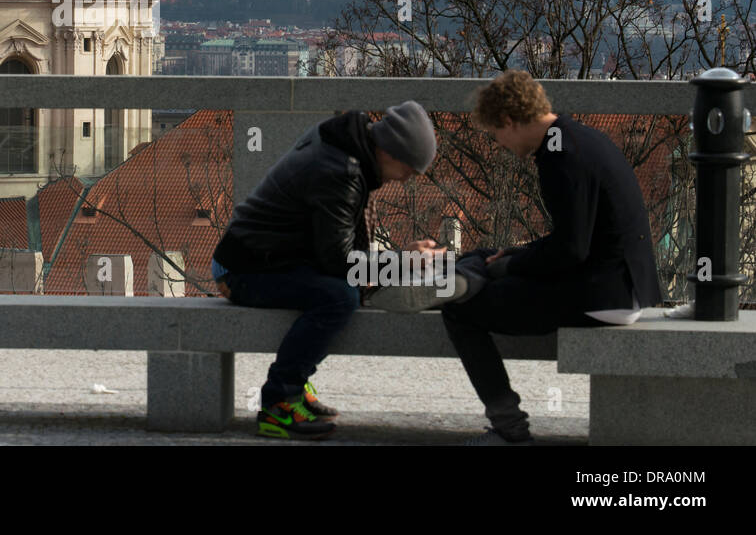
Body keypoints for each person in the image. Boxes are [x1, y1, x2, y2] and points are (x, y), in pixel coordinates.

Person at [442, 70, 663, 445]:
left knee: (460, 311)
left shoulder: (558, 157)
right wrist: (518, 255)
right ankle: (469, 273)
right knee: (490, 255)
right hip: (619, 284)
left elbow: (571, 250)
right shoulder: (575, 137)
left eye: (496, 134)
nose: (499, 143)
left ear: (509, 121)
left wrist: (514, 265)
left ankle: (508, 429)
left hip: (603, 296)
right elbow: (574, 240)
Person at [211, 101, 439, 439]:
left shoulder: (343, 144)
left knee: (341, 290)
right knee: (338, 297)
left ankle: (295, 388)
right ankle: (279, 403)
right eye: (409, 170)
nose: (406, 180)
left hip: (265, 257)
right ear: (390, 152)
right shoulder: (341, 172)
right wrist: (402, 261)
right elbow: (339, 262)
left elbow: (333, 248)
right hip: (243, 269)